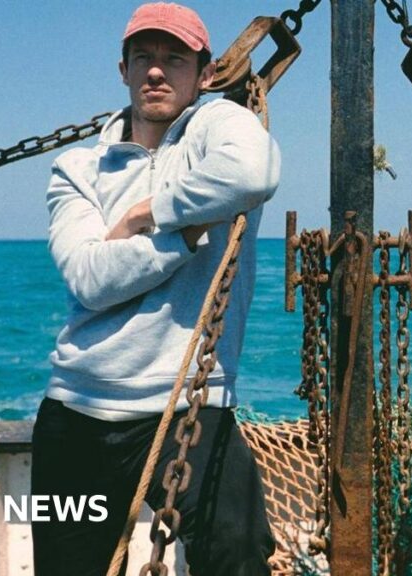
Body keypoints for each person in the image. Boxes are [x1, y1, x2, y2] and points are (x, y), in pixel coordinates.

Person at [31, 3, 280, 575]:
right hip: (79, 407)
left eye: (174, 58)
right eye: (143, 56)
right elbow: (90, 279)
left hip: (194, 402)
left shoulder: (221, 126)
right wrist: (184, 237)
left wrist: (147, 214)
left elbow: (254, 174)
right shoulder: (77, 168)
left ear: (206, 71)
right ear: (123, 69)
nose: (157, 71)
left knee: (239, 555)